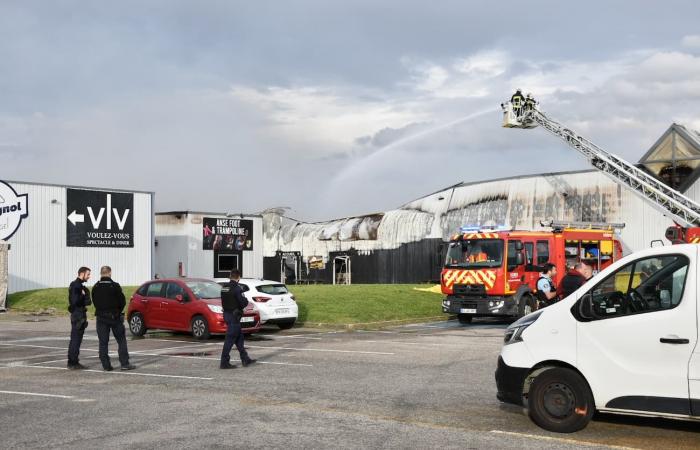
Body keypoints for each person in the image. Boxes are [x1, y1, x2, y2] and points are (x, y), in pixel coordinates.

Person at [91, 266, 135, 371]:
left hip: (101, 317)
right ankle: (124, 364)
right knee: (121, 340)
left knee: (103, 342)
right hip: (114, 317)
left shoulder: (96, 287)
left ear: (101, 273)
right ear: (110, 273)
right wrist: (118, 311)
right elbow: (122, 301)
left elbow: (95, 301)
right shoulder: (115, 286)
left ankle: (106, 365)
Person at [220, 269, 256, 369]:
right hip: (234, 317)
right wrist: (246, 300)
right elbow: (243, 303)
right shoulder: (237, 288)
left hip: (227, 315)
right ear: (238, 277)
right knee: (229, 340)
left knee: (239, 338)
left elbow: (224, 301)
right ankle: (224, 362)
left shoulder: (224, 288)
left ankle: (245, 359)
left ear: (230, 276)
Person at [67, 266, 92, 370]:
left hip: (80, 314)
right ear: (82, 274)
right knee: (75, 340)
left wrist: (85, 294)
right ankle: (72, 362)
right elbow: (74, 301)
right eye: (88, 274)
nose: (89, 276)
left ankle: (73, 361)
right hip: (77, 316)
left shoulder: (82, 287)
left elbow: (88, 302)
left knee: (77, 339)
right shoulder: (75, 285)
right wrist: (83, 295)